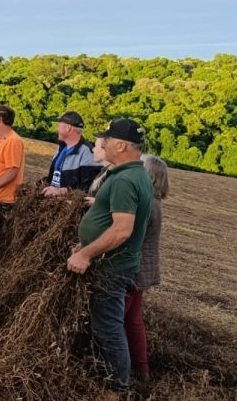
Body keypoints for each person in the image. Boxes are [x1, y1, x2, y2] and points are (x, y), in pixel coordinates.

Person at [66, 118, 153, 394]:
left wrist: (86, 254)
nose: (100, 142)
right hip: (113, 263)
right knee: (105, 325)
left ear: (121, 144)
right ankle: (108, 380)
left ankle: (116, 389)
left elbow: (122, 230)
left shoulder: (126, 179)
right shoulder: (131, 174)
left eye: (106, 138)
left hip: (111, 267)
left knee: (109, 328)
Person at [120, 154, 168, 385]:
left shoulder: (146, 205)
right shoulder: (156, 203)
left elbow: (125, 233)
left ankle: (120, 371)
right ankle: (141, 368)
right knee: (133, 321)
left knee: (114, 321)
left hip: (134, 269)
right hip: (143, 269)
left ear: (148, 176)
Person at [42, 111, 103, 196]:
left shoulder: (88, 153)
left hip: (69, 206)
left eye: (59, 125)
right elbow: (54, 177)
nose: (57, 129)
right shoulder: (61, 148)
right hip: (52, 203)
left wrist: (62, 191)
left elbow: (88, 187)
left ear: (68, 128)